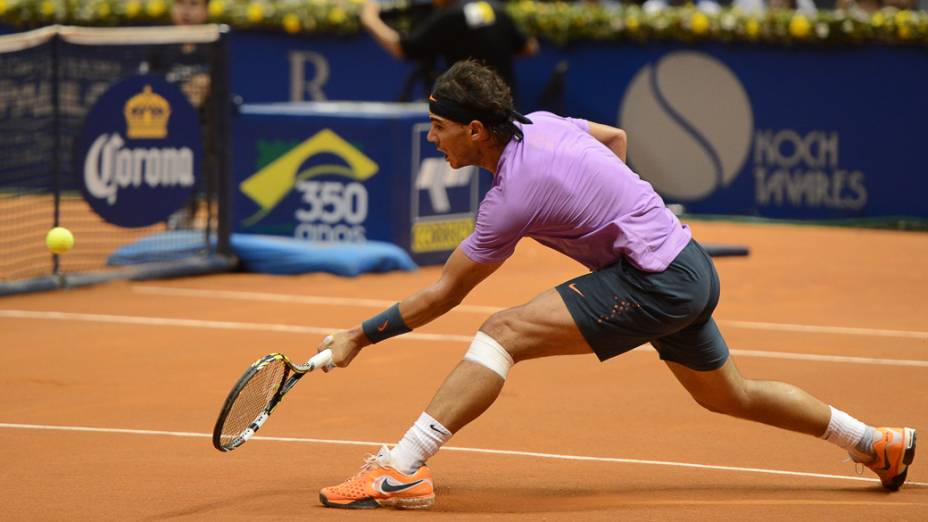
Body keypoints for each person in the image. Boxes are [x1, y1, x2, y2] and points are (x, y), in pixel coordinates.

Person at [315, 60, 917, 510]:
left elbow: (444, 293)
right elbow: (615, 140)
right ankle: (874, 441)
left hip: (655, 281)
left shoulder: (510, 199)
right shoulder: (544, 123)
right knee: (728, 394)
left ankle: (402, 468)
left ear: (476, 131)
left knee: (502, 331)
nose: (431, 138)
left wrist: (358, 337)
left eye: (439, 127)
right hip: (689, 263)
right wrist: (626, 211)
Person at [359, 0, 538, 98]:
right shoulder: (495, 8)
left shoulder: (449, 17)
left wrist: (369, 18)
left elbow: (403, 49)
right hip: (505, 102)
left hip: (469, 107)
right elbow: (530, 47)